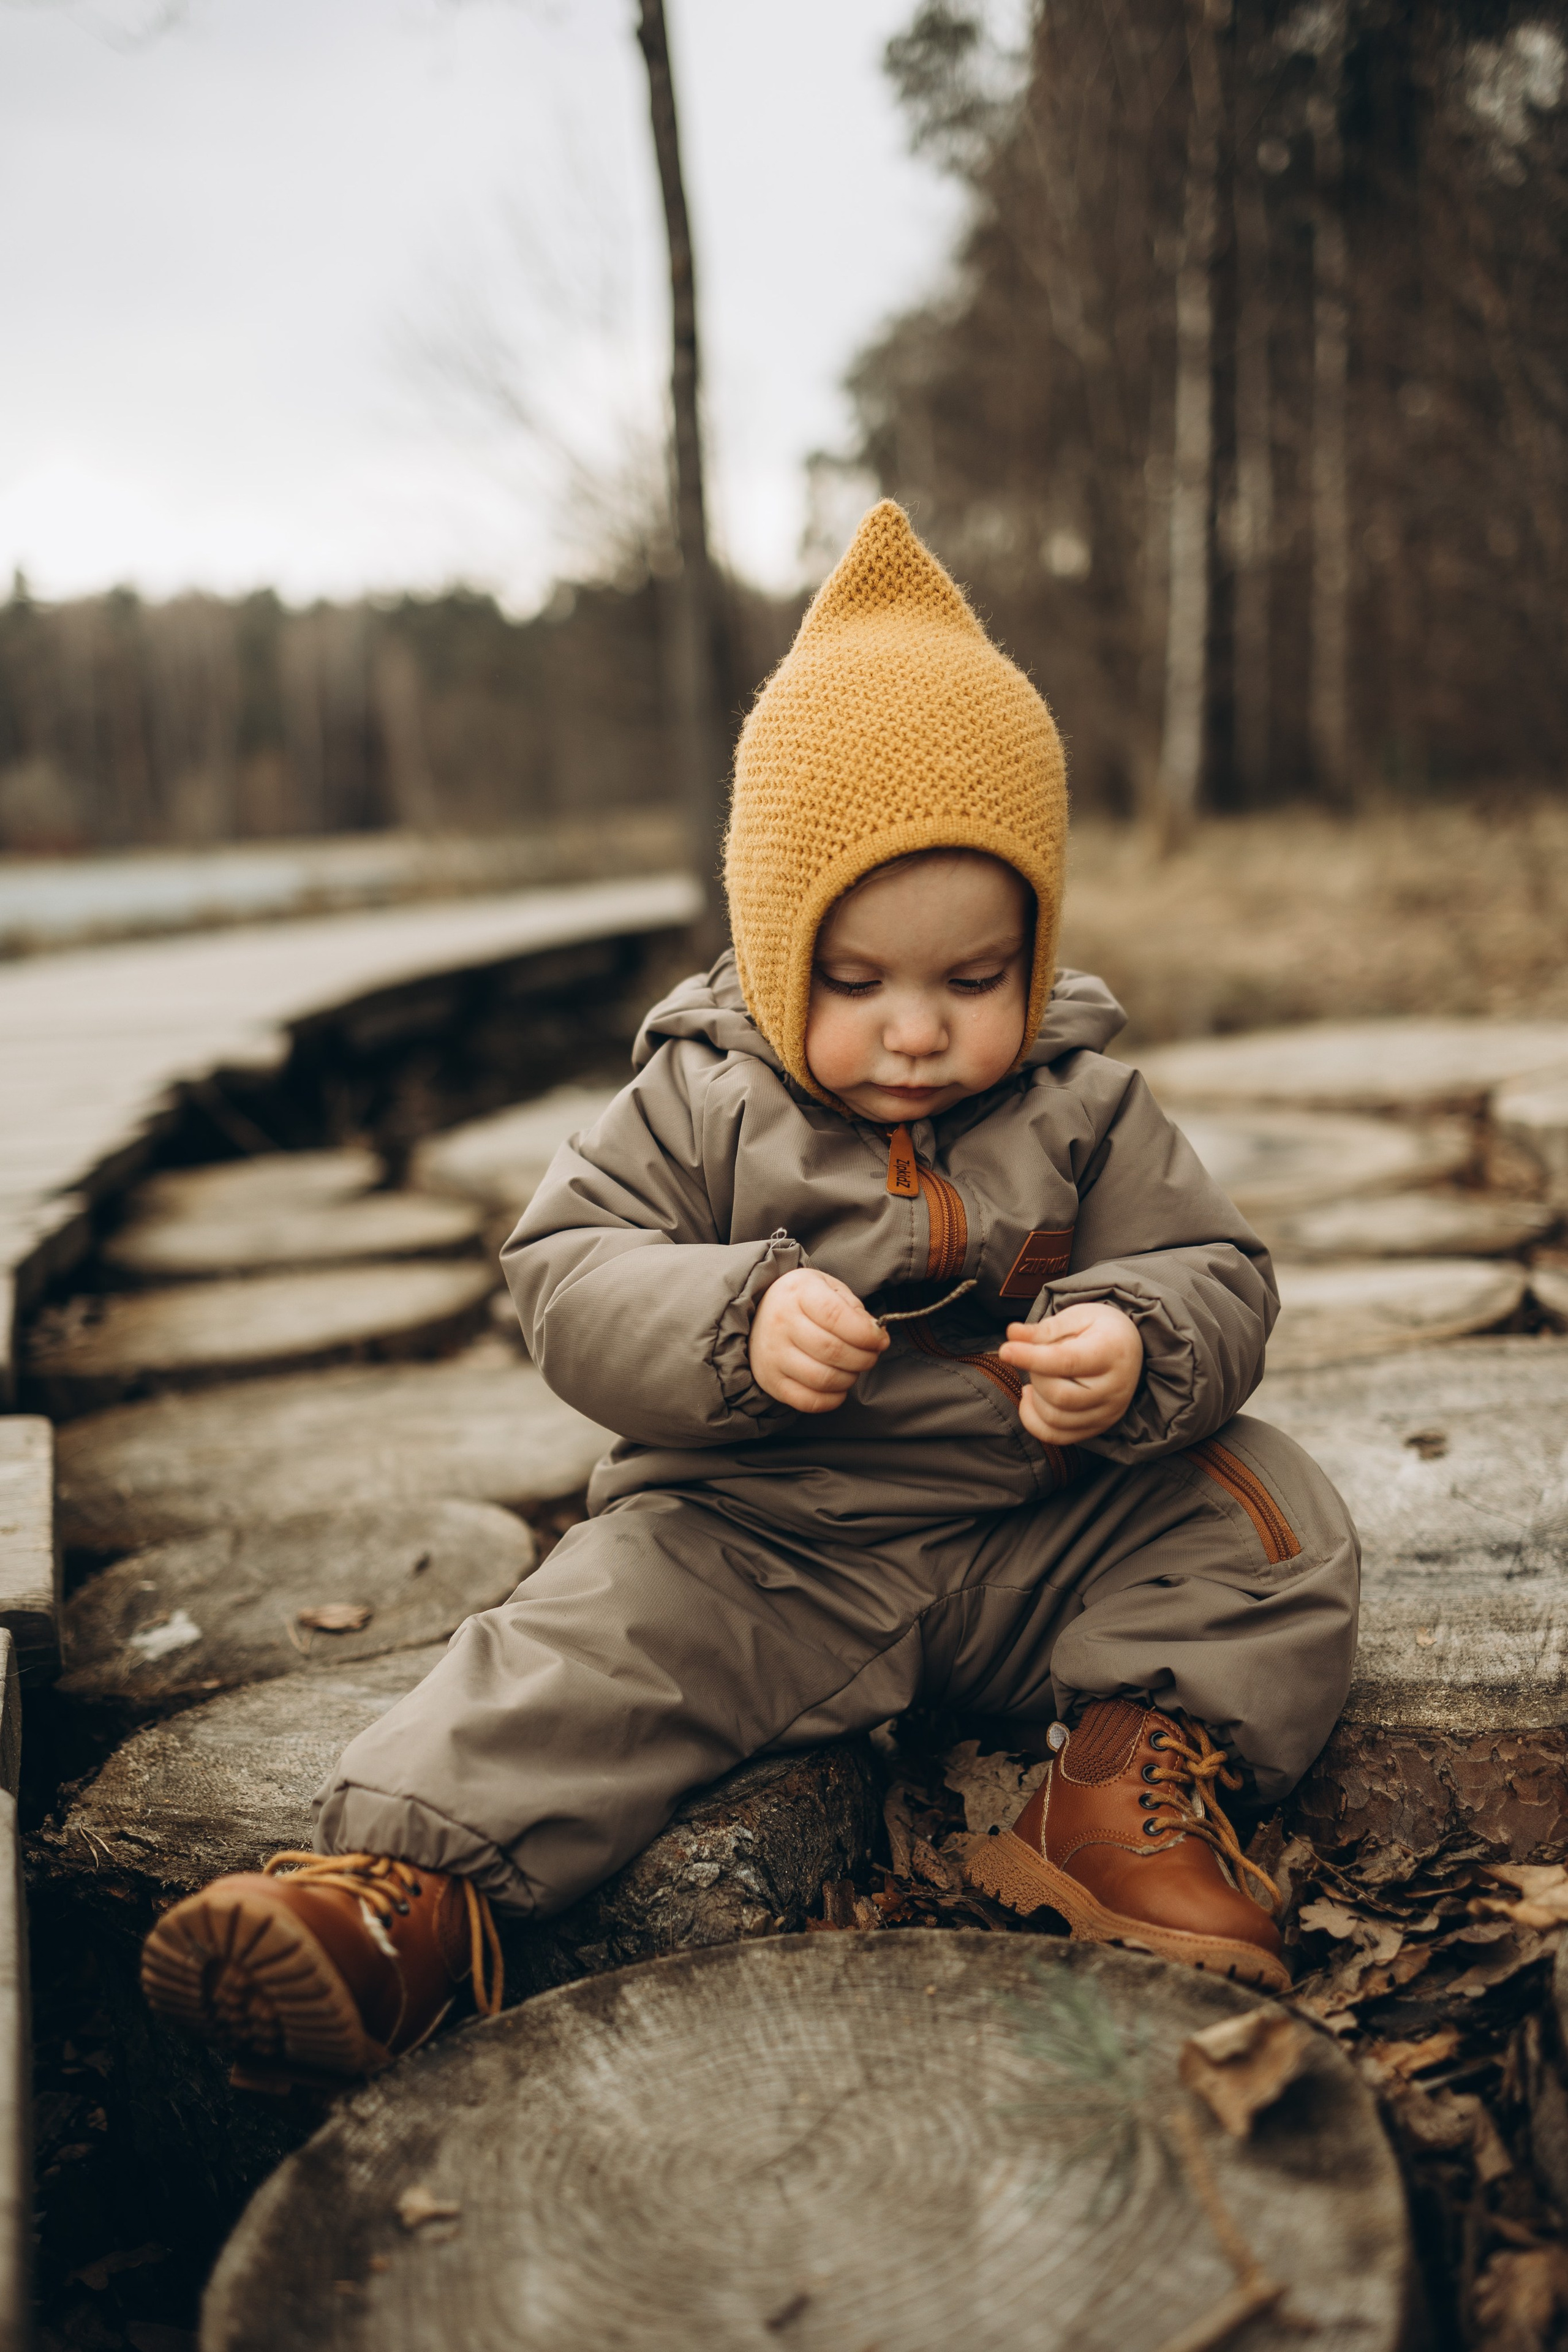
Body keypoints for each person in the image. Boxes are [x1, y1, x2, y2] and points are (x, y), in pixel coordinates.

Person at [140, 503, 1358, 2086]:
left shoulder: (1089, 1108)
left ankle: (1119, 1781)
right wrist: (731, 1322)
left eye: (973, 979)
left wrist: (1140, 1345)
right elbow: (566, 1275)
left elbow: (1220, 1271)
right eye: (855, 983)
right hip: (753, 1546)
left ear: (1037, 948)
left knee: (1271, 1507)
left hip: (1026, 1539)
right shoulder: (698, 1104)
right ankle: (403, 1898)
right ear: (775, 943)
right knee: (582, 1635)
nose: (915, 1031)